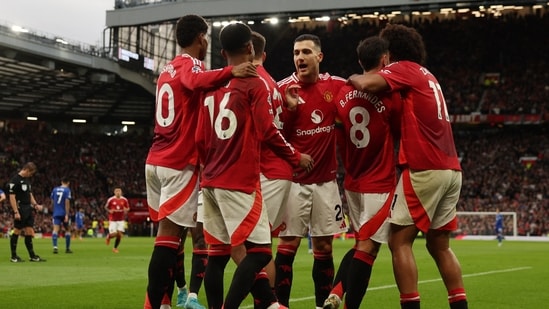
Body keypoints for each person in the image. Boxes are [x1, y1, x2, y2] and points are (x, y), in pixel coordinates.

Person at [348, 23, 468, 309]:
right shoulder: (428, 75)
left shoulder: (403, 68)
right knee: (439, 246)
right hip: (451, 169)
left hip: (424, 167)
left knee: (398, 241)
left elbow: (366, 84)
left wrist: (351, 77)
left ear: (389, 53)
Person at [143, 14, 257, 309]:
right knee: (169, 237)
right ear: (200, 38)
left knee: (171, 237)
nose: (207, 42)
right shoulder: (189, 65)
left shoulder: (165, 70)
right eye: (206, 37)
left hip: (155, 158)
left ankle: (165, 301)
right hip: (177, 161)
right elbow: (194, 80)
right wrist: (231, 72)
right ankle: (152, 304)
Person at [195, 22, 312, 309]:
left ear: (222, 52)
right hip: (238, 180)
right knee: (259, 253)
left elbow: (200, 137)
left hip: (209, 179)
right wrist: (296, 157)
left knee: (218, 253)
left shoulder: (211, 84)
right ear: (250, 48)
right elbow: (267, 131)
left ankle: (265, 304)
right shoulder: (256, 82)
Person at [323, 36, 401, 309]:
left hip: (352, 181)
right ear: (385, 60)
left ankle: (336, 292)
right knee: (369, 249)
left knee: (360, 244)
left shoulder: (344, 93)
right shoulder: (390, 95)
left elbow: (340, 135)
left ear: (359, 62)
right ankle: (348, 305)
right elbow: (400, 133)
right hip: (378, 183)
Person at [275, 33, 348, 308]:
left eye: (306, 52)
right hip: (293, 183)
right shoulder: (282, 90)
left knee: (324, 248)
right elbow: (272, 135)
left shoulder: (337, 85)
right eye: (296, 53)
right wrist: (291, 112)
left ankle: (321, 305)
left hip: (326, 183)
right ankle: (280, 305)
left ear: (319, 56)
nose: (299, 57)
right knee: (288, 246)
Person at [7, 162, 46, 262]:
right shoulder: (14, 180)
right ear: (27, 170)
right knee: (17, 230)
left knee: (29, 231)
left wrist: (35, 205)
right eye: (31, 173)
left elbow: (30, 194)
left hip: (28, 208)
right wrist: (16, 211)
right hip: (20, 208)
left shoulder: (27, 181)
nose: (31, 175)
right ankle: (13, 256)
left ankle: (32, 256)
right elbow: (12, 197)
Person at [51, 177, 73, 254]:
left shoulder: (55, 189)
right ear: (68, 183)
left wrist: (54, 211)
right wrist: (66, 214)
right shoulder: (67, 190)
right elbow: (67, 202)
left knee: (55, 229)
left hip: (56, 212)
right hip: (64, 213)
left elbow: (52, 201)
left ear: (61, 182)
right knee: (67, 230)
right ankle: (67, 248)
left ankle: (55, 247)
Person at [104, 187, 130, 253]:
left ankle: (115, 248)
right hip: (113, 220)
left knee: (119, 234)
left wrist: (126, 210)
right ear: (114, 192)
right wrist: (109, 211)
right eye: (117, 191)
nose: (118, 192)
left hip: (121, 220)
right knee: (114, 233)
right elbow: (106, 207)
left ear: (121, 192)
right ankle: (108, 236)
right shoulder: (111, 199)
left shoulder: (124, 200)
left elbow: (128, 208)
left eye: (119, 191)